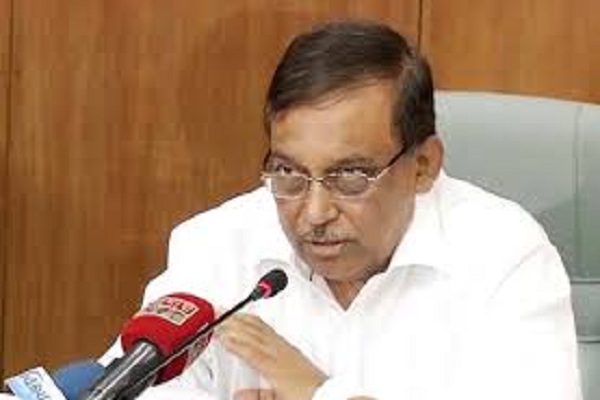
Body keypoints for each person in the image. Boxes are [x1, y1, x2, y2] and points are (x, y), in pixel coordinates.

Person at [101, 20, 581, 399]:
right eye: (288, 172)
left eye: (350, 176)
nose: (313, 214)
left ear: (423, 166)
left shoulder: (504, 255)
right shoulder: (216, 244)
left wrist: (319, 393)